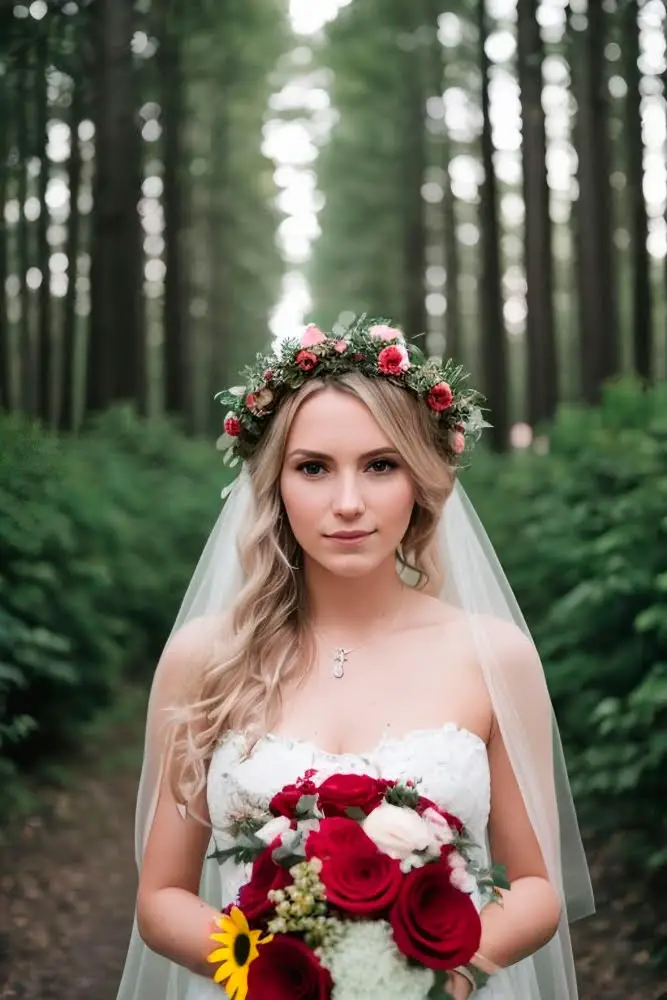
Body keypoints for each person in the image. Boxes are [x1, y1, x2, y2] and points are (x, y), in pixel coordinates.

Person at [117, 317, 593, 1000]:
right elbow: (162, 896)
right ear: (274, 483)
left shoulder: (494, 656)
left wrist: (434, 979)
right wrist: (275, 978)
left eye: (379, 465)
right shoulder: (204, 657)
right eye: (313, 468)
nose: (347, 503)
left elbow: (536, 889)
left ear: (420, 477)